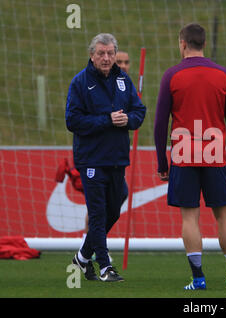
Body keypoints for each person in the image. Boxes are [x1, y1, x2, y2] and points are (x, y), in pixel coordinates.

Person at [154, 23, 226, 290]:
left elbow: (160, 123)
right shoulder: (223, 75)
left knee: (190, 217)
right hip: (216, 154)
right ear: (203, 44)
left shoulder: (172, 75)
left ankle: (198, 279)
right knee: (224, 216)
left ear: (182, 43)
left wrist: (161, 162)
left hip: (183, 153)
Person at [66, 33, 146, 282]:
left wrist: (128, 120)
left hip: (117, 157)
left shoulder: (123, 79)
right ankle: (104, 267)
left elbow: (139, 110)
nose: (106, 58)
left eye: (110, 53)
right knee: (98, 213)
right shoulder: (80, 82)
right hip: (92, 159)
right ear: (92, 55)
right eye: (101, 53)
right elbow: (73, 121)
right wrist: (107, 119)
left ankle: (81, 257)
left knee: (116, 204)